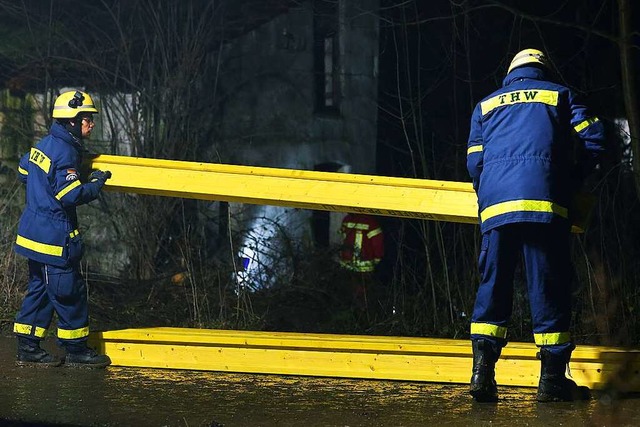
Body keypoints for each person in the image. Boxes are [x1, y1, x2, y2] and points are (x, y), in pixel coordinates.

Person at [466, 49, 606, 402]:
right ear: (543, 70)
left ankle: (482, 374)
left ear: (511, 73)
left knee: (493, 287)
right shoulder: (559, 94)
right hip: (546, 204)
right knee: (549, 289)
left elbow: (474, 162)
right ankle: (551, 381)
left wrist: (491, 192)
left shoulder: (486, 105)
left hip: (497, 208)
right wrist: (572, 178)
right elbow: (595, 137)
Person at [13, 90, 113, 368]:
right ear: (71, 121)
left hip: (35, 235)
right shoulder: (67, 151)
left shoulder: (44, 144)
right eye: (87, 119)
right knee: (68, 292)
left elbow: (23, 172)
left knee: (42, 290)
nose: (91, 124)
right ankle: (76, 350)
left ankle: (28, 346)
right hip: (53, 240)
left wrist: (42, 190)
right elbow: (71, 194)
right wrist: (96, 183)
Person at [338, 213, 384, 313]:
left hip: (347, 264)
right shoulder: (372, 223)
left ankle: (349, 313)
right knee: (364, 293)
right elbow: (377, 244)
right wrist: (377, 259)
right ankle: (363, 314)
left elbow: (342, 239)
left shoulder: (347, 219)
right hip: (365, 267)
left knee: (350, 290)